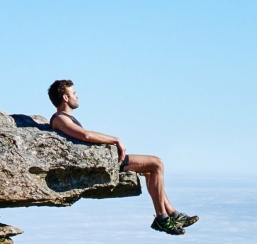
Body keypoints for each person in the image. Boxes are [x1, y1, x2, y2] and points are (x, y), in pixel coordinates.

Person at [47, 79, 198, 235]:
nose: (77, 96)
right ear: (65, 98)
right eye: (74, 93)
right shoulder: (60, 118)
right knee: (157, 163)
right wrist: (115, 139)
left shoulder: (65, 118)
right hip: (104, 163)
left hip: (106, 160)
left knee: (150, 171)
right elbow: (85, 135)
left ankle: (173, 214)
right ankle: (163, 218)